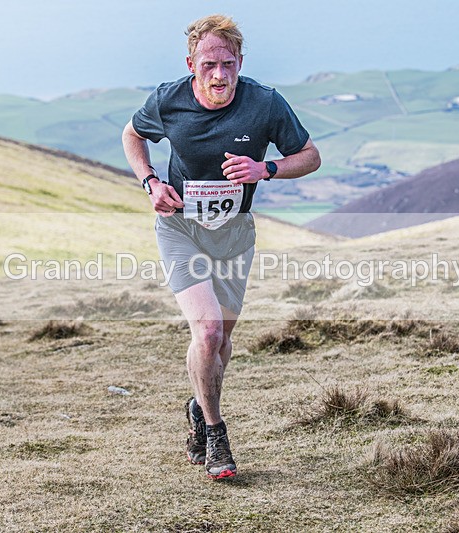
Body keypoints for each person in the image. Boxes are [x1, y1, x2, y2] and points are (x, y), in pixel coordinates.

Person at [122, 14, 320, 480]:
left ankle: (197, 403)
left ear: (240, 62)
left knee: (222, 343)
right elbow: (132, 135)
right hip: (180, 228)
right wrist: (150, 182)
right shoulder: (167, 100)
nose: (219, 75)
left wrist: (265, 170)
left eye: (228, 64)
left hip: (234, 233)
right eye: (209, 64)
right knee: (208, 331)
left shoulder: (265, 103)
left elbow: (310, 156)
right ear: (191, 64)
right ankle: (215, 433)